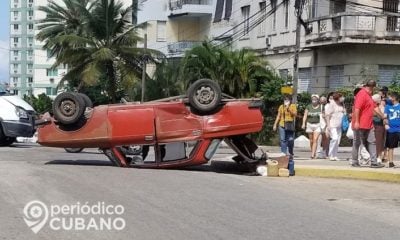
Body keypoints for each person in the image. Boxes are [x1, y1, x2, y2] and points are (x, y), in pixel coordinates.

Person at [351, 80, 385, 168]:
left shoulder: (369, 96)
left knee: (372, 141)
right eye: (374, 88)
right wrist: (357, 122)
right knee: (357, 143)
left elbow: (375, 107)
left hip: (369, 124)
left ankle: (373, 162)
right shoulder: (362, 94)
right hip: (360, 124)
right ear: (371, 87)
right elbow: (357, 109)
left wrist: (383, 117)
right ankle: (354, 161)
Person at [325, 92, 346, 161]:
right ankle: (330, 154)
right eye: (341, 97)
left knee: (338, 141)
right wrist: (328, 125)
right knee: (334, 138)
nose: (343, 98)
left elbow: (344, 113)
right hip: (332, 125)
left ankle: (335, 155)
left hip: (339, 125)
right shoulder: (332, 104)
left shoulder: (342, 104)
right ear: (338, 97)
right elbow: (327, 115)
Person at [302, 94, 322, 159]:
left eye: (315, 99)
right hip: (309, 124)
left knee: (315, 139)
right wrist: (303, 124)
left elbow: (324, 115)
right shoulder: (309, 106)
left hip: (318, 125)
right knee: (311, 140)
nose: (314, 100)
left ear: (318, 100)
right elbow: (305, 115)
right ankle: (312, 151)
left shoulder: (321, 107)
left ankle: (313, 154)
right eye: (313, 99)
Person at [384, 92, 400, 168]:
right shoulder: (387, 106)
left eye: (390, 97)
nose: (389, 99)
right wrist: (386, 124)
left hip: (399, 129)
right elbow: (384, 117)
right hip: (391, 130)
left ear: (394, 98)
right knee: (390, 146)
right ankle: (391, 162)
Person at [372, 94, 386, 163]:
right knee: (378, 142)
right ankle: (377, 157)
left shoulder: (381, 106)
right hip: (377, 125)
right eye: (380, 98)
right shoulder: (374, 106)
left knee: (380, 141)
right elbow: (382, 115)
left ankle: (379, 156)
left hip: (380, 125)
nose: (381, 100)